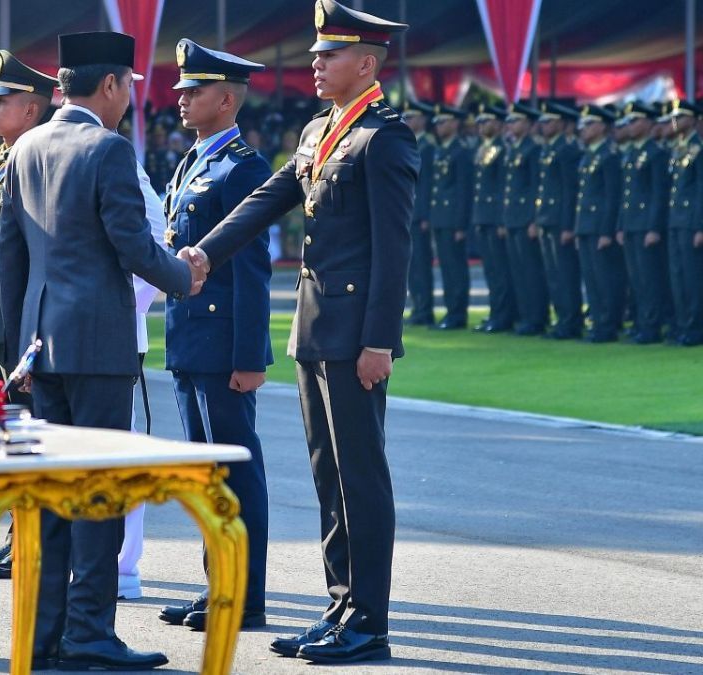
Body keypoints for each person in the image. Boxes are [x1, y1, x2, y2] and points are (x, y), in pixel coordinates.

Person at [181, 0, 415, 663]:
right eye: (316, 53)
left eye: (328, 54)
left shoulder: (384, 136)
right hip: (314, 327)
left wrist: (379, 340)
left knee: (360, 475)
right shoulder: (320, 131)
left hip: (354, 334)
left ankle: (370, 619)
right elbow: (267, 199)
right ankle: (340, 604)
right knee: (327, 474)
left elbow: (393, 250)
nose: (314, 63)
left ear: (366, 63)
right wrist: (204, 253)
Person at [0, 30, 201, 671]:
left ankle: (43, 634)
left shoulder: (24, 148)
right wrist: (184, 278)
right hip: (98, 345)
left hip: (41, 345)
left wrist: (14, 350)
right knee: (100, 493)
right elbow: (133, 246)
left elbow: (9, 259)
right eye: (127, 89)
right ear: (110, 85)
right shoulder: (108, 150)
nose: (127, 102)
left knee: (51, 494)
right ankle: (88, 632)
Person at [155, 38, 273, 634]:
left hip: (225, 344)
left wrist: (251, 355)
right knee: (207, 473)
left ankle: (244, 597)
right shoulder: (193, 160)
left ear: (226, 99)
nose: (181, 99)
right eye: (181, 89)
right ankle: (216, 586)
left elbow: (252, 268)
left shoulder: (243, 168)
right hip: (190, 340)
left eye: (193, 91)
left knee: (235, 470)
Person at [0, 50, 57, 578]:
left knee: (27, 434)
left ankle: (28, 538)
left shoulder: (36, 158)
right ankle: (15, 532)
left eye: (0, 100)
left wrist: (28, 330)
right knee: (4, 434)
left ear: (30, 110)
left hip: (18, 318)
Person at [616, 101, 671, 344]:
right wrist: (620, 225)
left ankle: (651, 326)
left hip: (645, 224)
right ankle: (640, 323)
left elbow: (658, 194)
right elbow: (625, 194)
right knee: (636, 279)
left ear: (648, 123)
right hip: (631, 224)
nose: (630, 126)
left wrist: (653, 227)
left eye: (635, 120)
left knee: (650, 279)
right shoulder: (632, 154)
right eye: (629, 122)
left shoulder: (655, 154)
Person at [535, 102, 585, 339]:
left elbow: (569, 191)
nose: (543, 126)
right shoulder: (549, 149)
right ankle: (561, 318)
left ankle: (571, 321)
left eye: (548, 121)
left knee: (565, 274)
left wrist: (567, 225)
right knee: (553, 274)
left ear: (560, 123)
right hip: (546, 218)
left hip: (558, 220)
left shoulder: (567, 150)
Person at [575, 104, 624, 343]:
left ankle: (607, 325)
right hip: (586, 225)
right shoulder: (589, 155)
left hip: (599, 227)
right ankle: (597, 321)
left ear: (602, 126)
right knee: (592, 279)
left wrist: (607, 230)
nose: (583, 129)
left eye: (589, 124)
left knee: (605, 279)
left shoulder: (609, 156)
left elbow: (612, 197)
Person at [501, 104, 548, 336]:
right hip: (513, 218)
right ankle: (525, 316)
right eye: (510, 121)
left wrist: (533, 219)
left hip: (526, 219)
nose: (511, 125)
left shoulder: (533, 149)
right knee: (518, 271)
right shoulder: (515, 149)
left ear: (529, 124)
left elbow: (535, 188)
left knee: (531, 272)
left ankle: (536, 317)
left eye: (516, 121)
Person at [471, 104, 517, 332]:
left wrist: (501, 220)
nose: (481, 125)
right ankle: (495, 313)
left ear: (499, 124)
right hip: (483, 217)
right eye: (479, 121)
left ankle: (503, 316)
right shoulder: (483, 148)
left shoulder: (503, 148)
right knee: (491, 270)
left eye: (486, 120)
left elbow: (502, 188)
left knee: (500, 271)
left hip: (495, 218)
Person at [427, 104, 472, 329]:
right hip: (441, 217)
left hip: (453, 219)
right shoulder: (441, 150)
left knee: (455, 268)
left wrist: (461, 224)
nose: (439, 127)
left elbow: (463, 190)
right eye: (437, 123)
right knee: (446, 268)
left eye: (443, 122)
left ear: (454, 123)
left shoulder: (460, 151)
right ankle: (450, 311)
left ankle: (457, 313)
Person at [665, 100, 703, 346]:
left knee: (692, 277)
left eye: (681, 117)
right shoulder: (679, 149)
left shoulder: (698, 148)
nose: (675, 121)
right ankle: (683, 324)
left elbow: (701, 189)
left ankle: (696, 327)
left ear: (693, 120)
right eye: (674, 117)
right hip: (676, 219)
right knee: (677, 276)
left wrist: (700, 226)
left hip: (690, 221)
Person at [402, 100, 435, 326]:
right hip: (409, 212)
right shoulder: (411, 144)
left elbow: (426, 185)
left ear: (422, 120)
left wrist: (423, 215)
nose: (407, 121)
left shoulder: (428, 147)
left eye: (411, 117)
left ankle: (425, 309)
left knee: (422, 265)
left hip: (418, 213)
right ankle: (418, 307)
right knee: (412, 266)